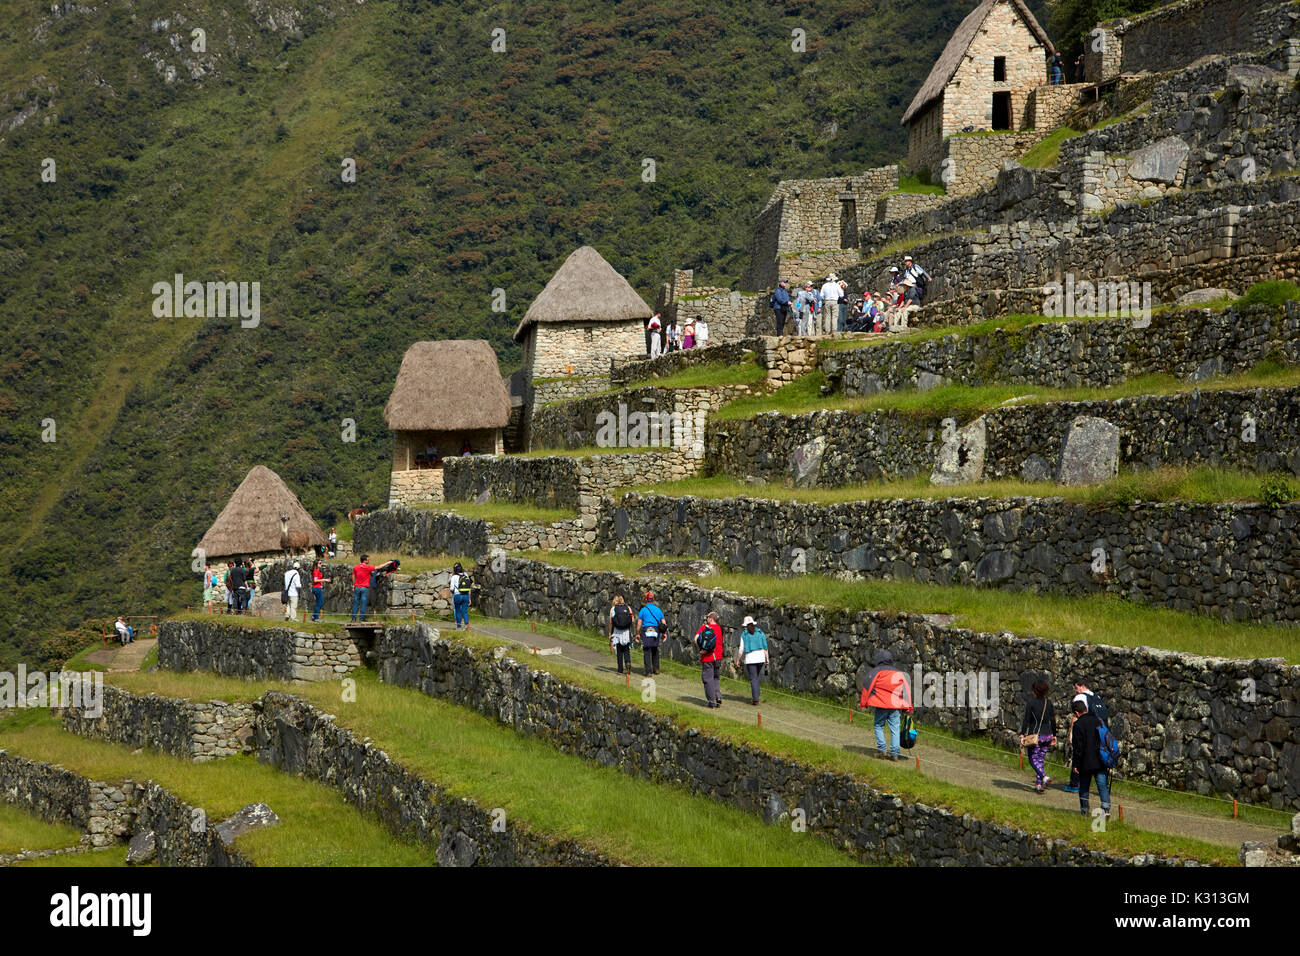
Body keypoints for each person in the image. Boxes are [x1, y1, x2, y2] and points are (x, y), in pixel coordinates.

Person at [858, 649, 913, 759]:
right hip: (895, 706)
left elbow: (867, 686)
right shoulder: (899, 673)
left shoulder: (875, 672)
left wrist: (863, 703)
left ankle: (882, 750)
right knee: (895, 729)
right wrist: (908, 707)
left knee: (878, 726)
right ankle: (895, 754)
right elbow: (906, 689)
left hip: (881, 705)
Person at [1064, 677, 1109, 793]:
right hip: (1100, 730)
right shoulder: (1096, 697)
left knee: (1079, 753)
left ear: (1081, 685)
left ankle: (1074, 784)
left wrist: (1071, 733)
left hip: (1085, 730)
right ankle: (1103, 787)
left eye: (1076, 687)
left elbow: (1076, 716)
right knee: (1100, 755)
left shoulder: (1080, 697)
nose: (1076, 690)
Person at [1070, 699, 1111, 818]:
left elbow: (1078, 747)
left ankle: (1084, 810)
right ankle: (1105, 809)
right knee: (1102, 785)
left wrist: (1075, 764)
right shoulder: (1098, 721)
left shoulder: (1078, 725)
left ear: (1077, 713)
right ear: (1086, 709)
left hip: (1085, 760)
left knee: (1084, 786)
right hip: (1100, 759)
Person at [1020, 678, 1057, 793]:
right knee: (1040, 759)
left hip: (1037, 735)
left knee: (1032, 759)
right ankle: (1039, 784)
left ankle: (1043, 777)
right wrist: (1054, 735)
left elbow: (1026, 720)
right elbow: (1053, 720)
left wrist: (1022, 734)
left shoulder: (1031, 703)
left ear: (1034, 690)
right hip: (1048, 735)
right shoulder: (1048, 703)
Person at [734, 615, 769, 705]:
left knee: (753, 678)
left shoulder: (744, 634)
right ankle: (756, 696)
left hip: (751, 659)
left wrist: (738, 660)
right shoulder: (760, 632)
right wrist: (767, 658)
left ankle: (755, 699)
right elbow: (765, 647)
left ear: (745, 625)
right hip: (761, 658)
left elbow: (741, 649)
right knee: (756, 677)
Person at [693, 611, 725, 708]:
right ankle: (717, 696)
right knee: (715, 678)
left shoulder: (705, 628)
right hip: (718, 657)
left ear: (710, 618)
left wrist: (700, 650)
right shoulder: (720, 628)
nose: (706, 619)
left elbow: (695, 639)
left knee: (707, 679)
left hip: (708, 657)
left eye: (707, 618)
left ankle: (712, 701)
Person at [636, 591, 666, 676]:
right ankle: (656, 668)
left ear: (646, 599)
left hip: (646, 630)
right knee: (655, 649)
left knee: (646, 650)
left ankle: (648, 671)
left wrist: (637, 633)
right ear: (653, 599)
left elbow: (639, 624)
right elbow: (664, 623)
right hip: (656, 630)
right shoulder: (658, 610)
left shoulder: (643, 610)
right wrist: (664, 633)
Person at [609, 594, 634, 675]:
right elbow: (632, 620)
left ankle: (620, 669)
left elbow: (611, 622)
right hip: (626, 632)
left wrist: (610, 633)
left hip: (617, 632)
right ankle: (628, 664)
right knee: (626, 650)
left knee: (619, 650)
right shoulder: (628, 608)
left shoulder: (613, 608)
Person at [351, 554, 376, 622]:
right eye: (368, 559)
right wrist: (388, 562)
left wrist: (354, 585)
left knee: (356, 603)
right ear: (364, 560)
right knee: (363, 603)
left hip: (357, 587)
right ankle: (362, 619)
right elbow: (379, 567)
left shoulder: (356, 567)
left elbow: (353, 576)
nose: (369, 560)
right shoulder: (368, 567)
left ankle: (353, 618)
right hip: (364, 588)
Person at [449, 562, 471, 629]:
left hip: (457, 595)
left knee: (458, 611)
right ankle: (467, 625)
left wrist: (453, 591)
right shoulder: (466, 576)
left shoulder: (454, 577)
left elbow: (451, 588)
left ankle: (459, 626)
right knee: (464, 612)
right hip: (466, 595)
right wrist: (469, 598)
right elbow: (468, 587)